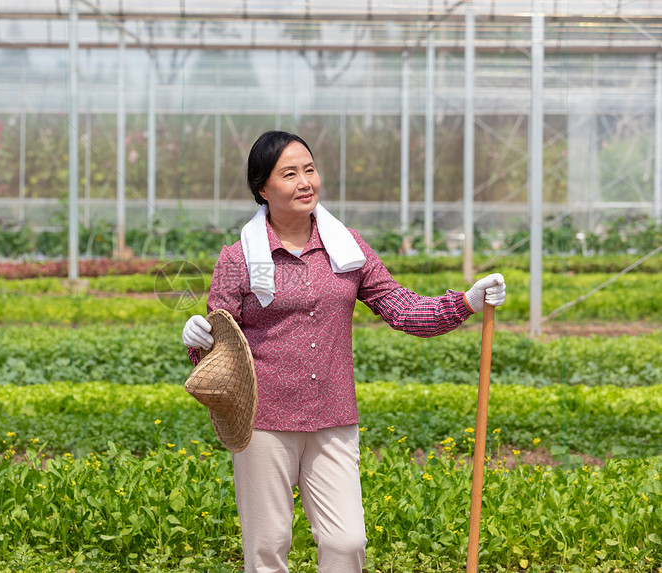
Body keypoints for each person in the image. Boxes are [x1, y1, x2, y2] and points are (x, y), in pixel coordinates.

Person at [181, 130, 506, 573]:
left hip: (333, 415)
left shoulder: (347, 249)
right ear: (263, 189)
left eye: (309, 170)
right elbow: (222, 350)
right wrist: (198, 342)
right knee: (268, 544)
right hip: (264, 420)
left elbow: (403, 309)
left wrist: (465, 302)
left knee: (347, 541)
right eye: (289, 174)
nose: (304, 182)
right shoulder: (238, 259)